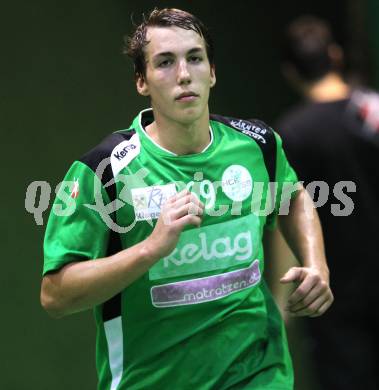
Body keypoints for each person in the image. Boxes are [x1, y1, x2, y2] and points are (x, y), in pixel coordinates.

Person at [40, 8, 333, 389]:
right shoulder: (105, 171)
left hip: (258, 373)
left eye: (195, 58)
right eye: (164, 63)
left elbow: (292, 198)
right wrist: (150, 250)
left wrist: (317, 263)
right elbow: (56, 294)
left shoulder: (257, 145)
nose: (183, 75)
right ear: (141, 81)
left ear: (211, 71)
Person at [276, 15, 379, 390]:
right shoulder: (374, 111)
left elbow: (287, 212)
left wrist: (280, 298)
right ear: (335, 56)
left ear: (290, 71)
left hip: (337, 302)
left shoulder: (292, 133)